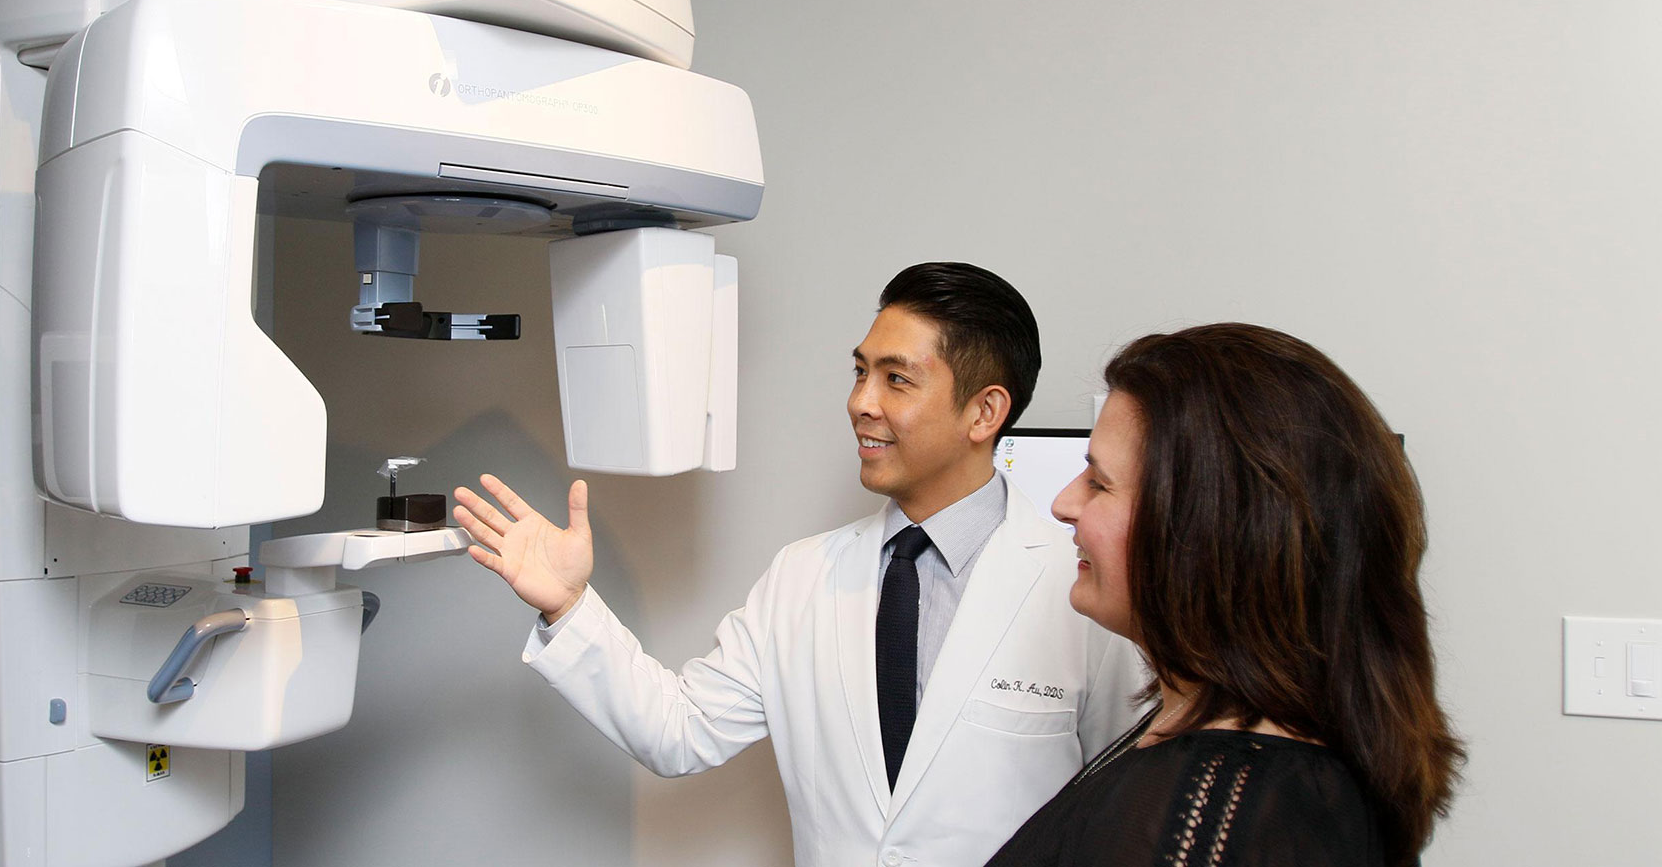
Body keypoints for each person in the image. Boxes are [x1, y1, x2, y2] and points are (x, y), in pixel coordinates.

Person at [454, 262, 1147, 867]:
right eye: (859, 371)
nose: (859, 403)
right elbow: (679, 732)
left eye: (896, 379)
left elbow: (1132, 798)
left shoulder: (1080, 587)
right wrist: (568, 606)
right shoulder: (803, 577)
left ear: (984, 411)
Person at [986, 323, 1465, 867]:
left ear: (1204, 533)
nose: (1063, 503)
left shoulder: (1232, 811)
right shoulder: (1203, 748)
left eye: (1099, 482)